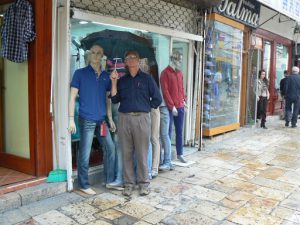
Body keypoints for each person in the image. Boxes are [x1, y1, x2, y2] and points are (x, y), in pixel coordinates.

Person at [110, 50, 162, 196]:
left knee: (142, 153)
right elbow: (114, 99)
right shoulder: (122, 80)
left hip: (142, 118)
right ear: (125, 62)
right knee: (126, 152)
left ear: (138, 60)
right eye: (128, 58)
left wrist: (146, 108)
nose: (131, 60)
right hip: (124, 118)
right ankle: (129, 183)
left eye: (134, 58)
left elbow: (157, 98)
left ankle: (144, 183)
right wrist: (113, 82)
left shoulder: (147, 79)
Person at [68, 44, 116, 195]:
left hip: (101, 120)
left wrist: (110, 118)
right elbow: (72, 97)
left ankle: (109, 180)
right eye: (93, 52)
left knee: (110, 148)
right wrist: (70, 119)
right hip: (87, 119)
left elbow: (108, 99)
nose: (96, 55)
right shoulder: (80, 73)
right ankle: (83, 184)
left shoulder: (106, 77)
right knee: (85, 152)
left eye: (99, 53)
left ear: (102, 56)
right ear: (88, 55)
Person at [160, 50, 187, 163]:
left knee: (179, 131)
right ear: (173, 59)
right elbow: (165, 91)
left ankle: (180, 153)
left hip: (180, 106)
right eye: (179, 60)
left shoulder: (179, 73)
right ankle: (167, 156)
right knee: (168, 132)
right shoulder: (165, 73)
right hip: (170, 107)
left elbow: (181, 88)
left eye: (181, 60)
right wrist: (172, 106)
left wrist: (184, 99)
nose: (180, 62)